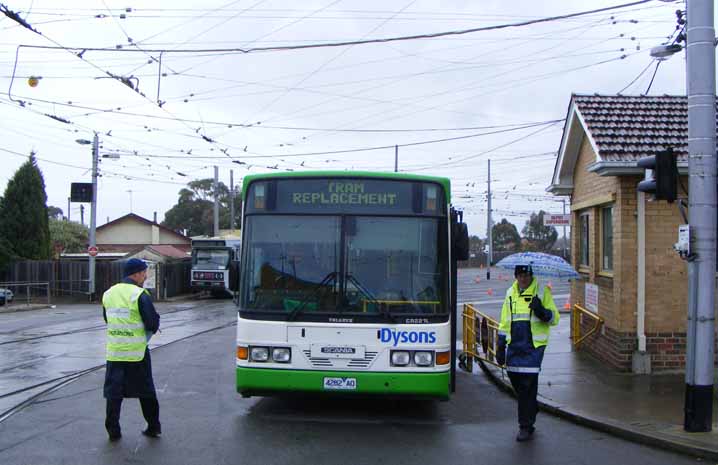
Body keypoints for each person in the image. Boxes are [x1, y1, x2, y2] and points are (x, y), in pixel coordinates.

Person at [496, 264, 559, 442]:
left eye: (526, 275)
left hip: (533, 346)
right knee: (514, 377)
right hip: (515, 344)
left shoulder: (542, 291)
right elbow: (504, 321)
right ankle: (531, 407)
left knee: (527, 384)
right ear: (516, 276)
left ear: (531, 275)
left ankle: (525, 426)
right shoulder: (510, 293)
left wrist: (542, 311)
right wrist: (500, 345)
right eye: (520, 275)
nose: (523, 278)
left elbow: (554, 318)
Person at [102, 258, 161, 441]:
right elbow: (152, 322)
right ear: (135, 274)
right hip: (137, 353)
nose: (145, 275)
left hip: (115, 352)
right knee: (146, 391)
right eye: (144, 272)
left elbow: (107, 319)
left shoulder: (108, 294)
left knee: (114, 393)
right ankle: (153, 426)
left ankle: (113, 430)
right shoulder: (140, 294)